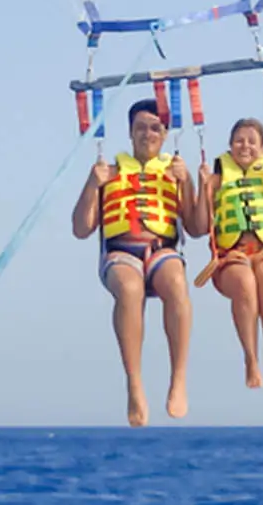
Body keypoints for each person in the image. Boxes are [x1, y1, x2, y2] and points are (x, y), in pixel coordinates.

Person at [71, 98, 206, 427]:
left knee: (176, 282)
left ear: (164, 134)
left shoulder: (175, 173)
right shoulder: (110, 173)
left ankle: (178, 380)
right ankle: (134, 385)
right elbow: (81, 228)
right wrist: (92, 184)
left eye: (155, 128)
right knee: (130, 290)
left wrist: (191, 182)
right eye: (141, 128)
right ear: (130, 133)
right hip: (120, 253)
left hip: (162, 251)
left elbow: (198, 228)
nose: (148, 134)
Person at [193, 117, 263, 394]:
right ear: (230, 145)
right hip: (231, 256)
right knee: (245, 284)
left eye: (252, 141)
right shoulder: (217, 179)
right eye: (239, 140)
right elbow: (199, 227)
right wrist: (202, 186)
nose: (245, 146)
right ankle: (251, 359)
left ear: (262, 148)